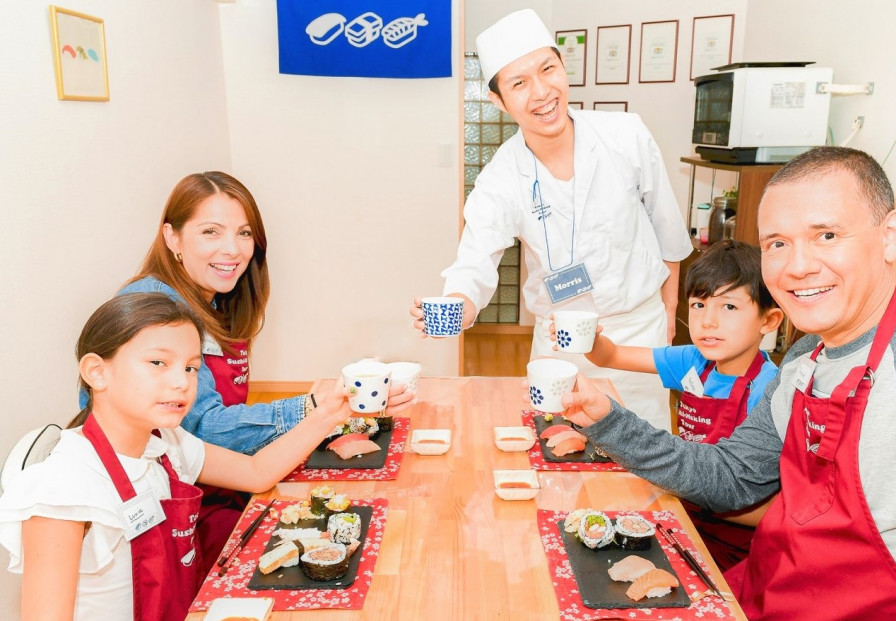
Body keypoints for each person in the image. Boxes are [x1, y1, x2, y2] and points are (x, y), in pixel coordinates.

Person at [556, 147, 896, 619]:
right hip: (764, 594)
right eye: (777, 243)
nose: (798, 266)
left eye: (826, 235)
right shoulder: (804, 358)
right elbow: (730, 478)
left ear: (890, 236)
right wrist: (608, 421)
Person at [111, 171, 414, 580]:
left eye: (244, 233)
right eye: (211, 232)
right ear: (173, 237)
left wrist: (323, 413)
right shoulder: (156, 311)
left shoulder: (216, 301)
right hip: (167, 507)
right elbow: (199, 429)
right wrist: (310, 410)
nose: (232, 249)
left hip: (220, 479)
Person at [410, 9, 692, 430]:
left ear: (563, 67)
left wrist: (668, 310)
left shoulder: (625, 135)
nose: (542, 92)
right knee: (557, 453)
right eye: (519, 83)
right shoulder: (500, 177)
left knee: (644, 458)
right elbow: (475, 262)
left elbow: (667, 227)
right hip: (559, 344)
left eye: (548, 69)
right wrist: (455, 308)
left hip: (635, 333)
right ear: (498, 100)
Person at [0, 293, 356, 621]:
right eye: (158, 362)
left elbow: (255, 472)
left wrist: (326, 416)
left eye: (190, 367)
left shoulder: (166, 442)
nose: (182, 382)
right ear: (97, 371)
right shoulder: (62, 490)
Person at [558, 239, 782, 570]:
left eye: (729, 307)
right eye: (698, 305)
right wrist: (587, 337)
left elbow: (775, 505)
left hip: (737, 544)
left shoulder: (771, 389)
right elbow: (612, 355)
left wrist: (689, 492)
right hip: (684, 512)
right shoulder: (692, 361)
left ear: (769, 320)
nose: (709, 321)